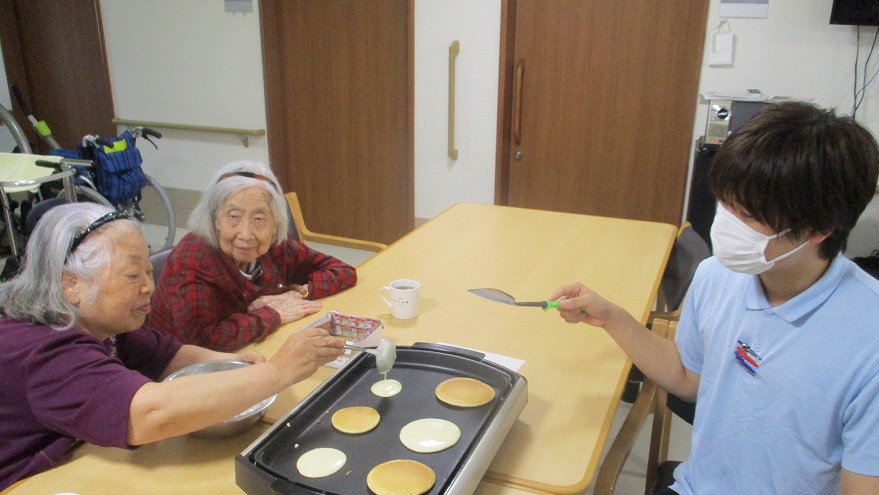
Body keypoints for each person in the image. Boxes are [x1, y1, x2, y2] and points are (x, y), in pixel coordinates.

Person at [550, 102, 879, 494]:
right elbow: (689, 378)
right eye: (725, 202)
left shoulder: (867, 340)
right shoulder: (718, 275)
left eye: (748, 215)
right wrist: (610, 317)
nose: (725, 224)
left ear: (820, 227)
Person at [0, 203, 344, 490]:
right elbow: (149, 413)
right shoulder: (42, 350)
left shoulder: (102, 321)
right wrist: (277, 371)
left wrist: (238, 366)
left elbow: (169, 357)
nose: (150, 287)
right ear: (70, 283)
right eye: (133, 276)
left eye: (149, 272)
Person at [149, 161, 357, 351]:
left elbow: (343, 271)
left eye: (259, 218)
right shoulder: (192, 260)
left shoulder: (275, 246)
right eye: (233, 217)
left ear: (275, 222)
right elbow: (204, 340)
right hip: (185, 371)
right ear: (215, 220)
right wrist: (273, 314)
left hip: (257, 350)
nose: (246, 234)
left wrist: (297, 294)